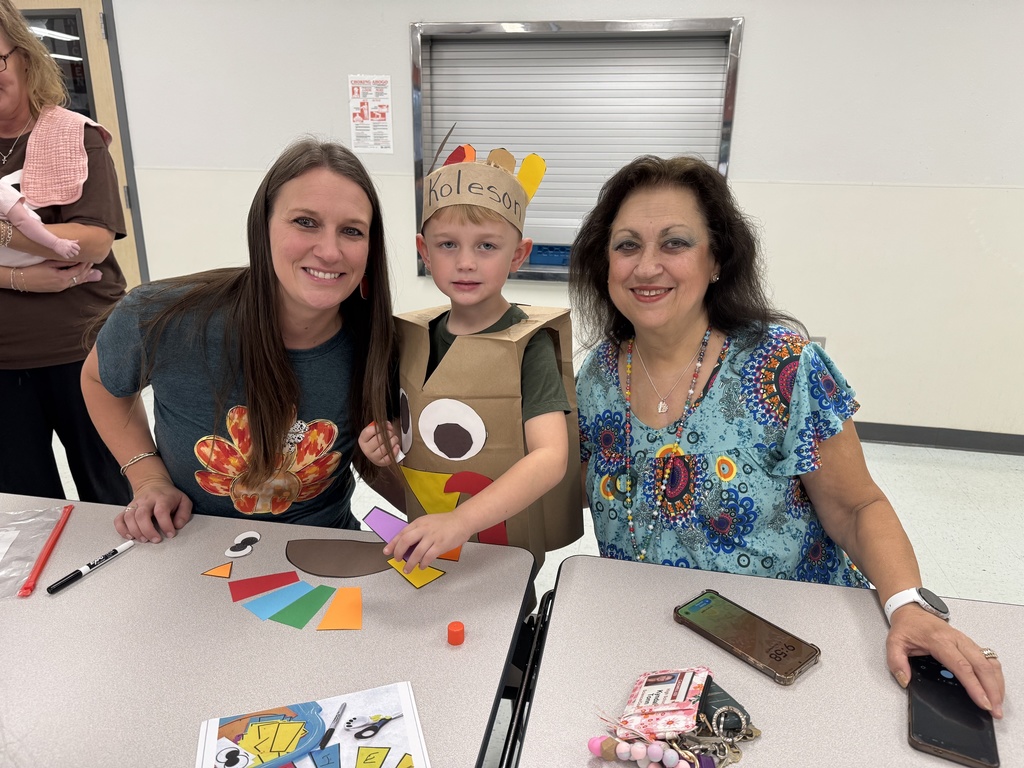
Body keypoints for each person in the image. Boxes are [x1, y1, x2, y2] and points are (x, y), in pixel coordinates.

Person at [570, 155, 1004, 717]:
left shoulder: (784, 366)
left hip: (791, 645)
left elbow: (857, 507)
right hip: (652, 642)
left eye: (675, 243)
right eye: (627, 245)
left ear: (717, 259)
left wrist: (907, 606)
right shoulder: (599, 376)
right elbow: (580, 491)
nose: (647, 266)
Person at [81, 137, 396, 543]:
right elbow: (99, 381)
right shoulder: (161, 316)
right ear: (262, 226)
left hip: (325, 552)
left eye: (351, 231)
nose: (330, 251)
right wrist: (147, 477)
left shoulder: (380, 342)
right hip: (187, 545)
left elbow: (384, 471)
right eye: (305, 222)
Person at [358, 145, 576, 573]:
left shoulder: (529, 347)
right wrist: (382, 440)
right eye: (447, 244)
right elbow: (404, 423)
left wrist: (461, 521)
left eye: (487, 246)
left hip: (503, 551)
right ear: (425, 251)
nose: (465, 262)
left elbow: (550, 456)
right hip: (426, 539)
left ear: (518, 254)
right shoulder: (412, 337)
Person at [0, 0, 130, 505]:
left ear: (25, 57)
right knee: (25, 506)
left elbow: (92, 242)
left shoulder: (73, 136)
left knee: (115, 493)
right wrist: (22, 278)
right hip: (4, 364)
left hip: (82, 352)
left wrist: (7, 234)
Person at [1, 180, 80, 264]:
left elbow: (22, 221)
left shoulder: (2, 192)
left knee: (73, 262)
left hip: (34, 249)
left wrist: (55, 243)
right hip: (15, 260)